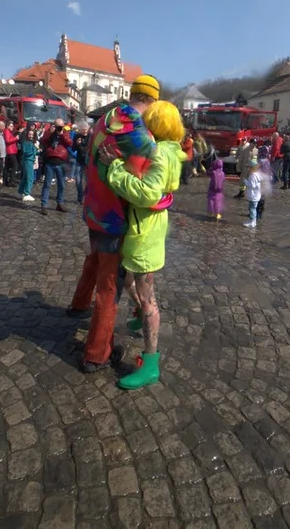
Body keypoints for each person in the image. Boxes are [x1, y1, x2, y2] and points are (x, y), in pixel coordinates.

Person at [67, 75, 160, 373]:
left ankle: (79, 304)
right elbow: (148, 174)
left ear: (133, 93)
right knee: (109, 285)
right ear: (153, 100)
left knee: (93, 259)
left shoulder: (106, 117)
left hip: (93, 207)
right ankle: (96, 354)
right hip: (113, 217)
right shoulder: (138, 131)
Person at [99, 100, 185, 389]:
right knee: (131, 283)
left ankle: (150, 364)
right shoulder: (172, 151)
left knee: (149, 300)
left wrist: (114, 169)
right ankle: (139, 316)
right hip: (149, 226)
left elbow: (148, 194)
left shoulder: (160, 154)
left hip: (145, 230)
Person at [40, 118, 73, 215]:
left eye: (61, 126)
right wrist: (50, 132)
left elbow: (70, 143)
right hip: (50, 162)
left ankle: (60, 203)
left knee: (61, 185)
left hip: (61, 162)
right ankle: (44, 205)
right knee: (47, 185)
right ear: (53, 125)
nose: (59, 128)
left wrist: (62, 134)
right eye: (57, 125)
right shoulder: (49, 132)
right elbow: (43, 141)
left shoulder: (65, 133)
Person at [18, 128, 38, 201]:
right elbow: (25, 151)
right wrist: (34, 149)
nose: (31, 136)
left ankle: (20, 191)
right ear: (27, 135)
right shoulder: (25, 142)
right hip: (27, 160)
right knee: (30, 177)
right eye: (29, 134)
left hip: (30, 160)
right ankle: (26, 193)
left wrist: (38, 150)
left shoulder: (32, 142)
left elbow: (34, 152)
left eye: (32, 134)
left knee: (25, 177)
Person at [72, 122, 90, 204]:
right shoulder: (77, 136)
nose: (84, 132)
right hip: (79, 160)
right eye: (83, 130)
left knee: (88, 181)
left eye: (86, 130)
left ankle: (88, 197)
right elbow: (73, 149)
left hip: (88, 161)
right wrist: (77, 143)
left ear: (88, 129)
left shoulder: (91, 136)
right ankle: (80, 197)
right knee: (78, 180)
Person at [243, 159, 262, 228]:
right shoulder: (257, 175)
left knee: (252, 209)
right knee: (253, 208)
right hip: (256, 195)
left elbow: (252, 185)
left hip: (253, 195)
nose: (248, 169)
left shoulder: (253, 176)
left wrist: (245, 181)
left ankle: (252, 222)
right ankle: (253, 222)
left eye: (249, 167)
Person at [3, 121, 19, 187]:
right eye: (11, 126)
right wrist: (16, 138)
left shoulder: (8, 132)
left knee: (7, 167)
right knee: (15, 165)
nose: (13, 127)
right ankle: (11, 180)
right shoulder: (6, 131)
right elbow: (7, 141)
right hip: (10, 151)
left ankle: (5, 181)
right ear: (7, 126)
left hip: (10, 151)